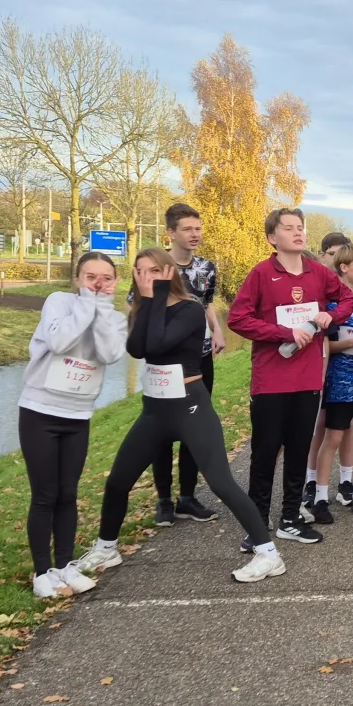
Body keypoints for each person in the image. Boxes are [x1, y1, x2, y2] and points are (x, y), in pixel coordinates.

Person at [77, 249, 284, 583]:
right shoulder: (145, 307)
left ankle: (268, 553)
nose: (147, 277)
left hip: (189, 405)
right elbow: (138, 349)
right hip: (155, 409)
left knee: (221, 483)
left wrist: (153, 296)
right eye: (140, 271)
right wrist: (146, 303)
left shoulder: (189, 308)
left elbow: (159, 343)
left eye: (155, 271)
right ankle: (106, 546)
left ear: (169, 272)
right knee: (118, 481)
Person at [227, 207, 353, 546]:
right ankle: (257, 525)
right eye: (289, 228)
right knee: (266, 451)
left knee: (300, 449)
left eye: (300, 227)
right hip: (271, 379)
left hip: (309, 378)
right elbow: (238, 320)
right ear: (273, 238)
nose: (298, 232)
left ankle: (290, 518)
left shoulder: (317, 272)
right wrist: (283, 333)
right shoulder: (260, 274)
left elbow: (346, 300)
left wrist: (329, 317)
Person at [18, 251, 128, 598]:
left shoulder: (115, 316)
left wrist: (102, 311)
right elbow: (60, 341)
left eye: (106, 278)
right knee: (45, 495)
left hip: (78, 416)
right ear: (77, 279)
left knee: (68, 495)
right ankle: (42, 573)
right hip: (40, 410)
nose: (98, 284)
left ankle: (64, 565)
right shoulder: (59, 302)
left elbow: (111, 354)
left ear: (115, 282)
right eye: (90, 277)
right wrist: (86, 304)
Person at [136, 204, 223, 528]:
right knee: (160, 432)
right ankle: (164, 500)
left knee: (193, 428)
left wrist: (216, 329)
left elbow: (207, 303)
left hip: (198, 360)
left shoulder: (206, 267)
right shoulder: (156, 267)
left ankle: (187, 496)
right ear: (171, 232)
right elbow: (139, 306)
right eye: (187, 229)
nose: (195, 234)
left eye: (198, 228)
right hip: (162, 362)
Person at [309, 245, 353, 523]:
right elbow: (324, 345)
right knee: (333, 437)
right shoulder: (332, 304)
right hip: (339, 381)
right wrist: (352, 342)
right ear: (344, 267)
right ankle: (320, 496)